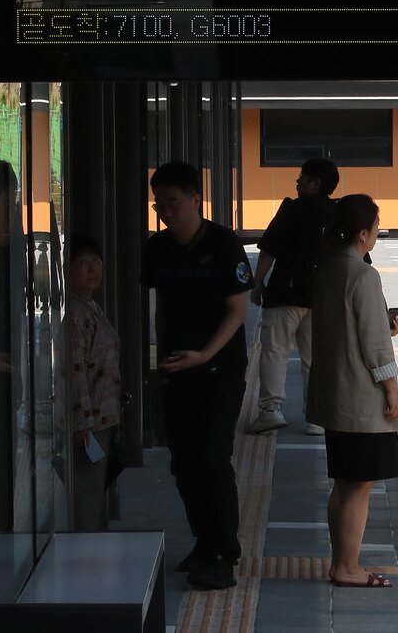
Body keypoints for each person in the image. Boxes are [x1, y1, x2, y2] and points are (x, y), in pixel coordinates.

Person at [140, 160, 253, 591]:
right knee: (183, 463)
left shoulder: (224, 244)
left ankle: (223, 552)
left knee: (211, 459)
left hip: (219, 368)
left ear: (195, 199)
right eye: (159, 203)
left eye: (174, 201)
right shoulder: (159, 247)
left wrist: (204, 354)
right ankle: (204, 541)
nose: (167, 210)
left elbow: (237, 311)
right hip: (174, 367)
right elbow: (156, 305)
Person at [306, 194, 398, 588]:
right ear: (363, 232)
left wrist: (388, 325)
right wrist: (392, 393)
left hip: (334, 393)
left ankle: (341, 562)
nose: (378, 232)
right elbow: (374, 346)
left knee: (343, 482)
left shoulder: (329, 268)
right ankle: (347, 567)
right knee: (358, 486)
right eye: (376, 226)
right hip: (361, 398)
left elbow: (349, 329)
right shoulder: (364, 275)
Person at [248, 157, 340, 437]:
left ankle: (270, 411)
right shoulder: (336, 213)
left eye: (301, 176)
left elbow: (269, 248)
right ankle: (316, 418)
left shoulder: (292, 209)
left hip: (285, 293)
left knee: (275, 351)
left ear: (315, 182)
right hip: (321, 298)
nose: (297, 181)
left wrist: (257, 282)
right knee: (315, 358)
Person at [59, 235, 122, 530]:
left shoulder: (90, 305)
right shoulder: (74, 313)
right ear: (67, 270)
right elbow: (75, 371)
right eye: (81, 263)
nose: (91, 268)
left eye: (95, 261)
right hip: (90, 421)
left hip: (101, 416)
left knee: (96, 489)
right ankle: (87, 554)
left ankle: (95, 549)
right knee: (87, 492)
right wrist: (81, 421)